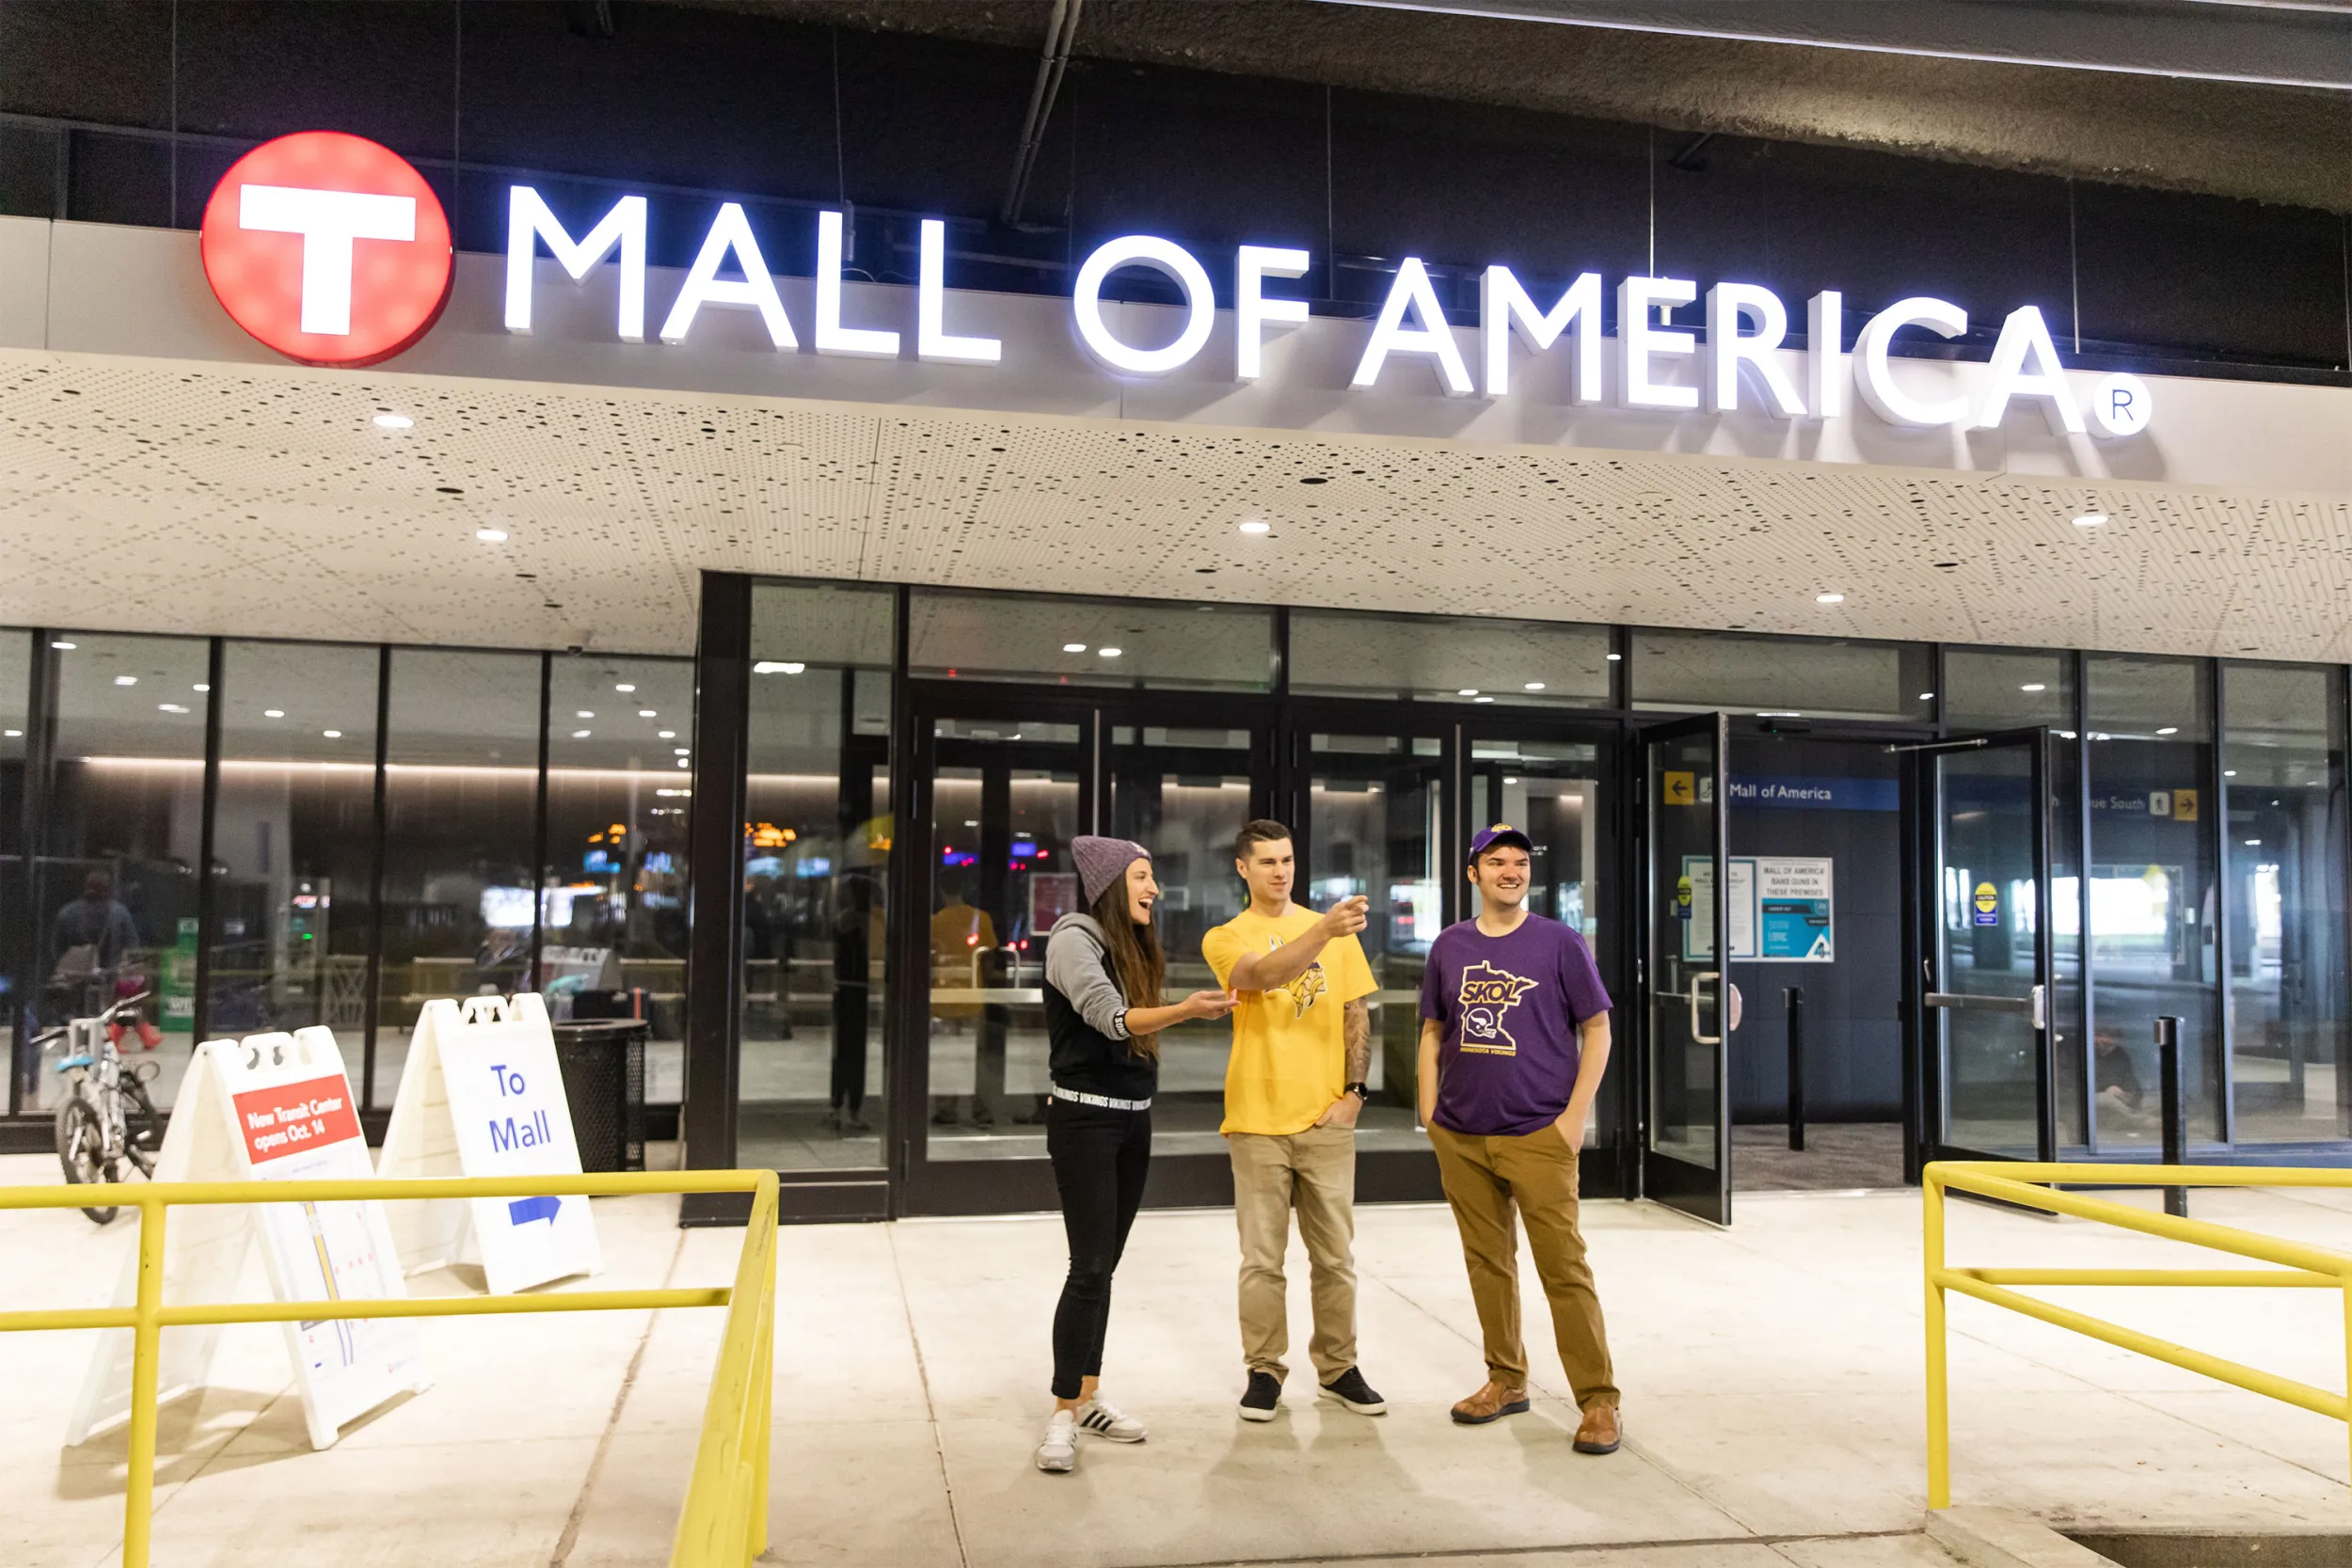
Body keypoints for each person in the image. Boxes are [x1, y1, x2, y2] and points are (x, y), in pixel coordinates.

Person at [1035, 834, 1236, 1474]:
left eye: (1153, 876)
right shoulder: (1074, 937)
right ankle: (1063, 1413)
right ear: (1111, 883)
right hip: (1084, 1122)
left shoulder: (1131, 944)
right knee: (1089, 1267)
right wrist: (1185, 1010)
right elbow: (1111, 1018)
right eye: (1143, 877)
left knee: (1106, 1265)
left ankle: (1089, 1393)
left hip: (1132, 1123)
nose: (1154, 889)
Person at [1419, 824, 1622, 1455]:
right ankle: (1506, 1378)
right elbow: (1431, 1030)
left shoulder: (1559, 943)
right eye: (1497, 861)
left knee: (1563, 1267)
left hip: (1538, 1131)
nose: (1512, 870)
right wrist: (1430, 1110)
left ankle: (1598, 1399)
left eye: (1521, 862)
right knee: (1487, 1263)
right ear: (1472, 873)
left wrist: (1573, 1117)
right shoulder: (1449, 945)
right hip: (1462, 1132)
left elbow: (1599, 1029)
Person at [1201, 819, 1389, 1422]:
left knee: (1335, 1257)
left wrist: (1355, 1092)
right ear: (1243, 869)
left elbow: (1355, 1011)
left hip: (1326, 1119)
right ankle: (1264, 1371)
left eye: (1286, 860)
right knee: (1263, 1260)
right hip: (1257, 1119)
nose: (1280, 871)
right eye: (1267, 862)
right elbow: (1262, 976)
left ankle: (1338, 1369)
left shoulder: (1332, 932)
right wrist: (1323, 930)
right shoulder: (1226, 936)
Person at [50, 871, 157, 1044]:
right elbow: (133, 946)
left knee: (77, 1010)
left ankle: (77, 1038)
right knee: (106, 1011)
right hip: (109, 974)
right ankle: (105, 1040)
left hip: (75, 976)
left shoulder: (67, 912)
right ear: (110, 889)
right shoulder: (119, 913)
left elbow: (56, 947)